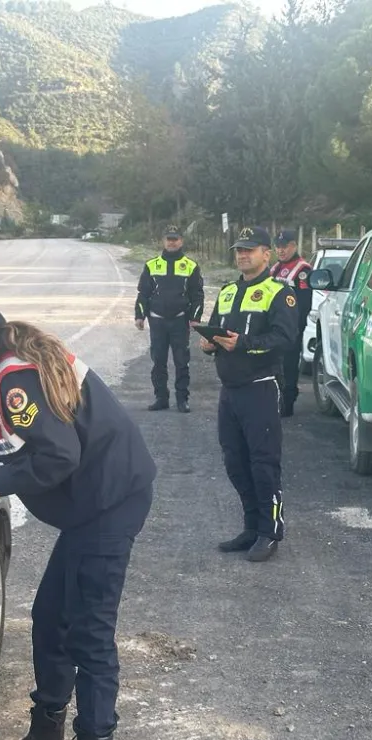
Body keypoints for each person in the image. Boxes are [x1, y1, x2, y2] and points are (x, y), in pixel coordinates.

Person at [0, 297, 157, 740]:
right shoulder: (5, 373)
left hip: (109, 503)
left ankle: (95, 738)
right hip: (89, 504)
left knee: (89, 632)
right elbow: (42, 429)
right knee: (50, 619)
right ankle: (46, 729)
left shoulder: (16, 381)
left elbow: (60, 454)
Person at [199, 227, 298, 562]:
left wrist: (243, 344)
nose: (242, 255)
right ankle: (251, 526)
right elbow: (217, 332)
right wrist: (208, 344)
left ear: (266, 254)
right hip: (230, 392)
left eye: (250, 250)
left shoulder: (279, 292)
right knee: (235, 462)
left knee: (263, 464)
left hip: (260, 390)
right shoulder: (227, 291)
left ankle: (270, 532)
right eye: (239, 250)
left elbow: (284, 340)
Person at [134, 224, 205, 413]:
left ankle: (182, 399)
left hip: (180, 321)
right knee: (158, 361)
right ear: (163, 241)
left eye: (175, 239)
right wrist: (139, 315)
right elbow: (143, 293)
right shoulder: (151, 265)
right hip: (157, 321)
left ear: (181, 241)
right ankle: (161, 398)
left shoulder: (191, 266)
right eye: (168, 239)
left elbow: (197, 294)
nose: (172, 242)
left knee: (182, 361)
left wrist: (195, 318)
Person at [270, 229, 313, 417]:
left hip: (291, 326)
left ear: (294, 246)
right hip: (275, 326)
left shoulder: (302, 270)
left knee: (288, 364)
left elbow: (304, 303)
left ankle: (288, 402)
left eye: (284, 246)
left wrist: (295, 327)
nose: (281, 250)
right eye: (278, 247)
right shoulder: (276, 267)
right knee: (275, 363)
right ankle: (276, 398)